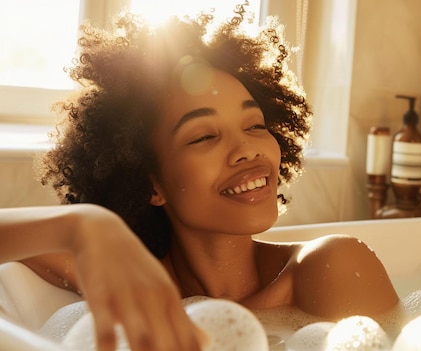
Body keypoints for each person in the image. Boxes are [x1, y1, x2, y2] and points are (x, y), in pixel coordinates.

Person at [0, 4, 399, 351]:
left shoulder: (330, 266)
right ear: (150, 184)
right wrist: (80, 225)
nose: (248, 148)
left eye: (256, 125)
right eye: (205, 136)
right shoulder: (130, 280)